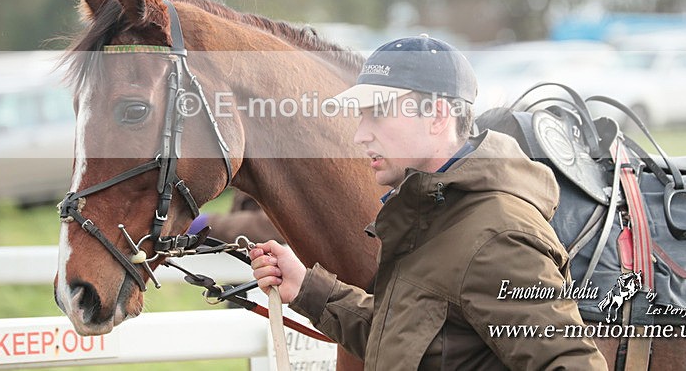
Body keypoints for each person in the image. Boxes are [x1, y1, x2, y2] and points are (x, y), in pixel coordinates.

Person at [249, 35, 607, 370]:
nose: (360, 135)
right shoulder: (432, 214)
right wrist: (308, 289)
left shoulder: (496, 237)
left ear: (437, 116)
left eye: (379, 113)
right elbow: (404, 341)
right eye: (361, 116)